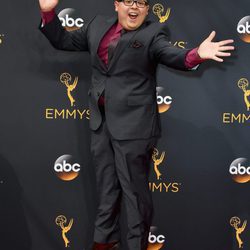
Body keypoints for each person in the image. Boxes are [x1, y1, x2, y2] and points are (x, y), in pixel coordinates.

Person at [38, 0, 234, 249]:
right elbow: (62, 41)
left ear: (147, 9)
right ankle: (104, 243)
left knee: (134, 195)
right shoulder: (97, 25)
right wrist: (47, 12)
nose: (135, 7)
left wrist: (196, 54)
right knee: (107, 191)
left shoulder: (153, 33)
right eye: (129, 1)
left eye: (141, 3)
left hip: (135, 127)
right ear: (117, 4)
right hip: (101, 124)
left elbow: (173, 55)